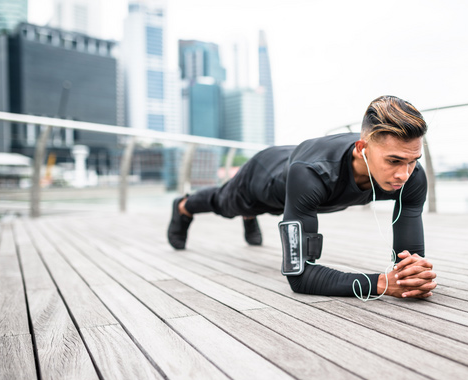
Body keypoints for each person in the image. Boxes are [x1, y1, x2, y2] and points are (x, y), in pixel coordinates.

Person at [167, 95, 437, 299]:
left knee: (288, 210)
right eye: (394, 161)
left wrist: (413, 275)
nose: (404, 174)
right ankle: (183, 206)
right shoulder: (310, 174)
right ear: (362, 149)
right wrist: (382, 283)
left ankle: (251, 216)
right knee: (225, 204)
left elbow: (409, 261)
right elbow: (299, 276)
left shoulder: (412, 175)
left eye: (413, 161)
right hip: (263, 178)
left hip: (297, 190)